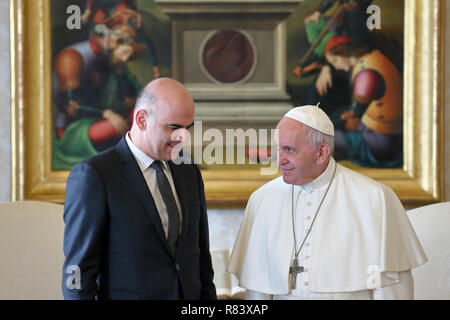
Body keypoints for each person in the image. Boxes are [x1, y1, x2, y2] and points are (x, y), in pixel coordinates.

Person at [227, 105, 427, 300]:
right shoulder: (262, 199)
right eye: (278, 148)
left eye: (289, 150)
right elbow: (258, 290)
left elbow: (392, 290)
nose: (279, 160)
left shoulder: (375, 198)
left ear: (321, 153)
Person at [62, 77, 217, 300]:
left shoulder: (189, 172)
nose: (183, 137)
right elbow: (77, 276)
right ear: (142, 119)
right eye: (173, 127)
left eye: (187, 128)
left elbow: (202, 262)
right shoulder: (94, 176)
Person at [323, 35, 403, 167]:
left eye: (336, 61)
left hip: (383, 139)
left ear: (343, 53)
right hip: (376, 130)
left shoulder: (366, 72)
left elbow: (354, 113)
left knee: (324, 139)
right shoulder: (371, 59)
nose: (336, 67)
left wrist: (330, 123)